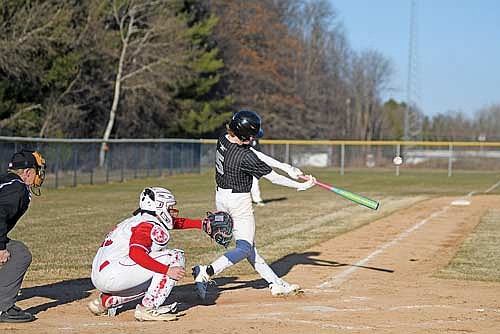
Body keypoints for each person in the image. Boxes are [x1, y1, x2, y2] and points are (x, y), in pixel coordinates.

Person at [192, 110, 316, 300]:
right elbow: (273, 178)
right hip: (238, 203)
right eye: (250, 136)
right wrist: (300, 186)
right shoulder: (244, 158)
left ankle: (275, 283)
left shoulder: (224, 138)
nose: (252, 139)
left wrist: (287, 168)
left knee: (250, 249)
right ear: (242, 135)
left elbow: (254, 153)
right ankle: (207, 271)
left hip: (222, 197)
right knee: (244, 247)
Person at [88, 186, 211, 321]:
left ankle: (106, 301)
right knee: (174, 257)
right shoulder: (146, 225)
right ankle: (148, 308)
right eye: (169, 208)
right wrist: (167, 270)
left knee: (156, 278)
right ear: (159, 206)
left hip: (104, 273)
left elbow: (171, 223)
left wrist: (201, 224)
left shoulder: (137, 220)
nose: (172, 212)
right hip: (114, 273)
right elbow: (136, 254)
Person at [0, 149, 46, 323]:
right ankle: (2, 307)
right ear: (27, 172)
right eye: (37, 170)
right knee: (19, 253)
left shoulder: (6, 181)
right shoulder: (17, 188)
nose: (39, 175)